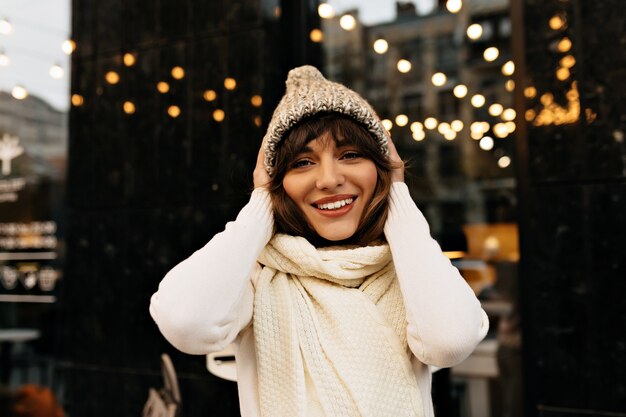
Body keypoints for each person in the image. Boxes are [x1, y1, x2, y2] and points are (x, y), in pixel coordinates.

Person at [150, 65, 489, 417]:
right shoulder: (256, 278)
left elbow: (450, 341)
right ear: (278, 182)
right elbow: (184, 320)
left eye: (350, 155)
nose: (328, 179)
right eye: (302, 162)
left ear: (381, 168)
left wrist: (398, 194)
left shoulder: (411, 273)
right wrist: (262, 202)